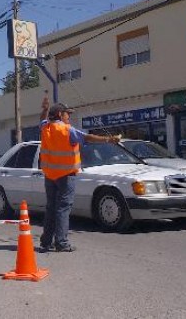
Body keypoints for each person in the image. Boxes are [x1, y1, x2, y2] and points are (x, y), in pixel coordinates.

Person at [39, 95, 121, 252]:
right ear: (60, 115)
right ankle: (61, 243)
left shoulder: (46, 128)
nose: (69, 116)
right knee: (63, 208)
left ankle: (46, 241)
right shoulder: (67, 130)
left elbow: (42, 120)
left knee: (51, 208)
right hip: (66, 176)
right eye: (67, 113)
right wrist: (109, 140)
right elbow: (88, 138)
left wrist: (44, 109)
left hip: (50, 176)